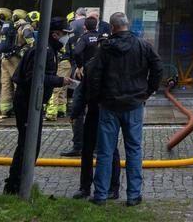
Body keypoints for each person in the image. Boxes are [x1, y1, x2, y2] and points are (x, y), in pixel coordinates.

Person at [88, 12, 161, 207]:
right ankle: (133, 195)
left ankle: (101, 195)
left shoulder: (105, 48)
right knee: (134, 150)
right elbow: (158, 68)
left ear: (112, 28)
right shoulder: (142, 46)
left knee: (105, 151)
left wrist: (97, 98)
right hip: (134, 104)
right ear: (127, 26)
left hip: (109, 105)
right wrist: (148, 90)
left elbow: (94, 75)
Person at [3, 16, 75, 195]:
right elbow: (33, 77)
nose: (67, 37)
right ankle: (16, 184)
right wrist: (60, 80)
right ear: (55, 34)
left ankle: (18, 182)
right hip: (27, 101)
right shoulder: (45, 51)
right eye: (65, 33)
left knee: (28, 143)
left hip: (30, 101)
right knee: (28, 144)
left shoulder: (46, 49)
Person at [68, 17, 120, 199]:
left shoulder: (113, 66)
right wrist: (75, 112)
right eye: (102, 43)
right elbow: (81, 92)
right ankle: (86, 187)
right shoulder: (93, 65)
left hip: (109, 112)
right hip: (95, 112)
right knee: (90, 151)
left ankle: (112, 188)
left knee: (110, 151)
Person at [62, 14, 103, 158]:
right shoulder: (101, 38)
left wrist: (80, 66)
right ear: (96, 26)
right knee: (97, 113)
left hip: (86, 78)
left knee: (78, 110)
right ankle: (97, 148)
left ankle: (78, 145)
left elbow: (77, 52)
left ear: (85, 27)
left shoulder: (84, 38)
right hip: (99, 80)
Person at [46, 11, 75, 121]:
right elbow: (73, 51)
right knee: (63, 88)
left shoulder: (53, 46)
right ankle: (61, 110)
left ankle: (51, 113)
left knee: (56, 88)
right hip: (66, 63)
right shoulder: (67, 37)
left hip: (62, 62)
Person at [0, 8, 26, 116]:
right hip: (14, 59)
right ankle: (19, 109)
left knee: (5, 84)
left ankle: (5, 109)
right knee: (18, 83)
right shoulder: (21, 28)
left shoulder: (7, 27)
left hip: (4, 59)